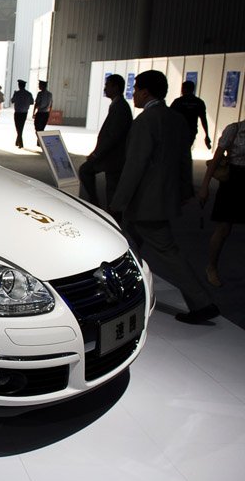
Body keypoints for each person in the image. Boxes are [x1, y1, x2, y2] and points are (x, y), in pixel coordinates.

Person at [110, 70, 218, 325]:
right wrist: (185, 190)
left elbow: (135, 166)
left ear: (145, 92)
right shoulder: (175, 119)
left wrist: (118, 203)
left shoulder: (146, 121)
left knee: (167, 253)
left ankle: (202, 302)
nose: (134, 94)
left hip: (145, 203)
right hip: (161, 199)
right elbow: (184, 160)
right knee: (126, 249)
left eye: (136, 89)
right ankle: (122, 295)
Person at [198, 118, 244, 288]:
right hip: (233, 181)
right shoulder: (235, 129)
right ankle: (211, 267)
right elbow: (216, 160)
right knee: (223, 228)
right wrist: (205, 186)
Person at [79, 74, 132, 211]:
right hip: (111, 156)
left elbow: (113, 136)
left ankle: (105, 211)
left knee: (110, 187)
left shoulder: (120, 107)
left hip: (114, 157)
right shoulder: (117, 105)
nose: (105, 88)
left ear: (116, 87)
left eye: (107, 85)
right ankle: (102, 207)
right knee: (108, 186)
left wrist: (96, 154)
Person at [170, 80, 211, 150]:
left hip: (178, 130)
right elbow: (203, 119)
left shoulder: (178, 101)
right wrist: (206, 134)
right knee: (185, 150)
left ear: (184, 89)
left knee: (176, 150)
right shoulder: (199, 102)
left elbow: (169, 116)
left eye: (183, 88)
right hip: (191, 131)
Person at [10, 79, 33, 148]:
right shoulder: (29, 94)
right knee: (21, 127)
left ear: (19, 86)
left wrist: (14, 95)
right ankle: (18, 141)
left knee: (18, 127)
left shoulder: (16, 93)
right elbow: (32, 102)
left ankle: (20, 142)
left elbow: (12, 101)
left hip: (17, 112)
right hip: (24, 113)